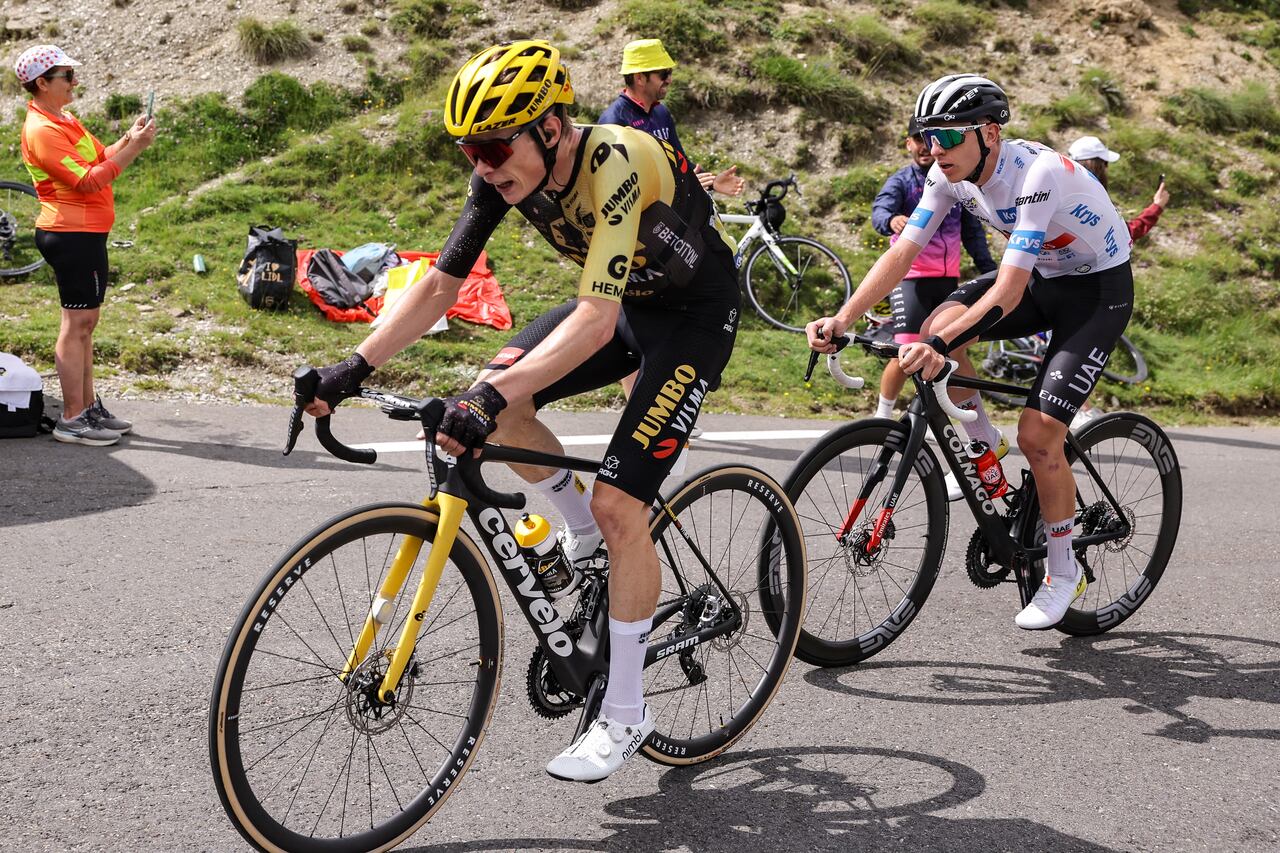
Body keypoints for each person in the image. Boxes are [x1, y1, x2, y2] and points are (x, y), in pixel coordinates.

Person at [305, 41, 740, 782]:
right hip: (628, 307)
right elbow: (440, 287)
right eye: (469, 152)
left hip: (693, 318)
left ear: (550, 127)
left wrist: (490, 396)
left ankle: (626, 712)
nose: (482, 166)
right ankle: (580, 536)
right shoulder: (502, 178)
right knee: (495, 399)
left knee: (619, 504)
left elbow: (594, 322)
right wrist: (352, 367)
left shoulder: (614, 160)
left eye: (493, 148)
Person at [808, 74, 1134, 632]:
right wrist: (844, 318)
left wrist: (938, 346)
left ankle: (1064, 570)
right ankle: (984, 443)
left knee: (1039, 436)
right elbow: (902, 253)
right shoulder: (945, 174)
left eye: (948, 136)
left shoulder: (1037, 174)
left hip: (1097, 291)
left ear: (989, 133)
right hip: (1044, 277)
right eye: (928, 136)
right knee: (938, 321)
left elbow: (1007, 291)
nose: (935, 149)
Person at [16, 44, 156, 446]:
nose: (74, 82)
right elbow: (88, 181)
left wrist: (128, 138)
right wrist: (136, 148)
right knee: (76, 324)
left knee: (85, 325)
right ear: (42, 83)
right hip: (70, 233)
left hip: (86, 233)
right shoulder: (42, 130)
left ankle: (87, 406)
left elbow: (98, 159)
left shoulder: (63, 118)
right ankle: (72, 418)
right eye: (67, 76)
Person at [871, 120, 997, 428]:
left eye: (929, 139)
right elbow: (879, 211)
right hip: (911, 279)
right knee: (905, 350)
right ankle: (882, 416)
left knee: (947, 351)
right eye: (918, 139)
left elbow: (973, 234)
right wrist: (891, 220)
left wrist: (990, 271)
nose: (925, 146)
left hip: (947, 279)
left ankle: (937, 417)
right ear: (908, 145)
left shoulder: (958, 181)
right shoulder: (902, 181)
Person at [598, 38, 745, 198]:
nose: (669, 80)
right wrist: (681, 185)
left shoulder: (661, 112)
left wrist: (713, 182)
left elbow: (681, 163)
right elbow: (616, 187)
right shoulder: (613, 122)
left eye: (669, 73)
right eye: (663, 74)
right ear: (639, 78)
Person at [1068, 135, 1171, 241]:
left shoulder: (1064, 190)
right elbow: (1125, 234)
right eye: (1105, 163)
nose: (1107, 168)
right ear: (1095, 166)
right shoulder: (1093, 203)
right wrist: (1156, 207)